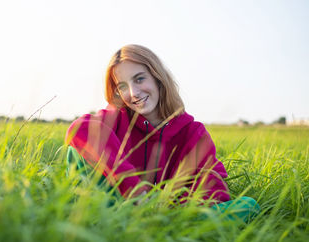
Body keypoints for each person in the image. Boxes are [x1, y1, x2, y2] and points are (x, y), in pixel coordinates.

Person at [65, 44, 260, 222]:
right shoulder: (117, 117)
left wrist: (164, 208)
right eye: (123, 86)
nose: (133, 93)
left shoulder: (193, 132)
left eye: (139, 79)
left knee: (248, 206)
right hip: (117, 210)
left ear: (157, 77)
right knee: (79, 150)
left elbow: (215, 190)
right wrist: (135, 190)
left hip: (171, 217)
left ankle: (163, 229)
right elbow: (79, 129)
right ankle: (108, 226)